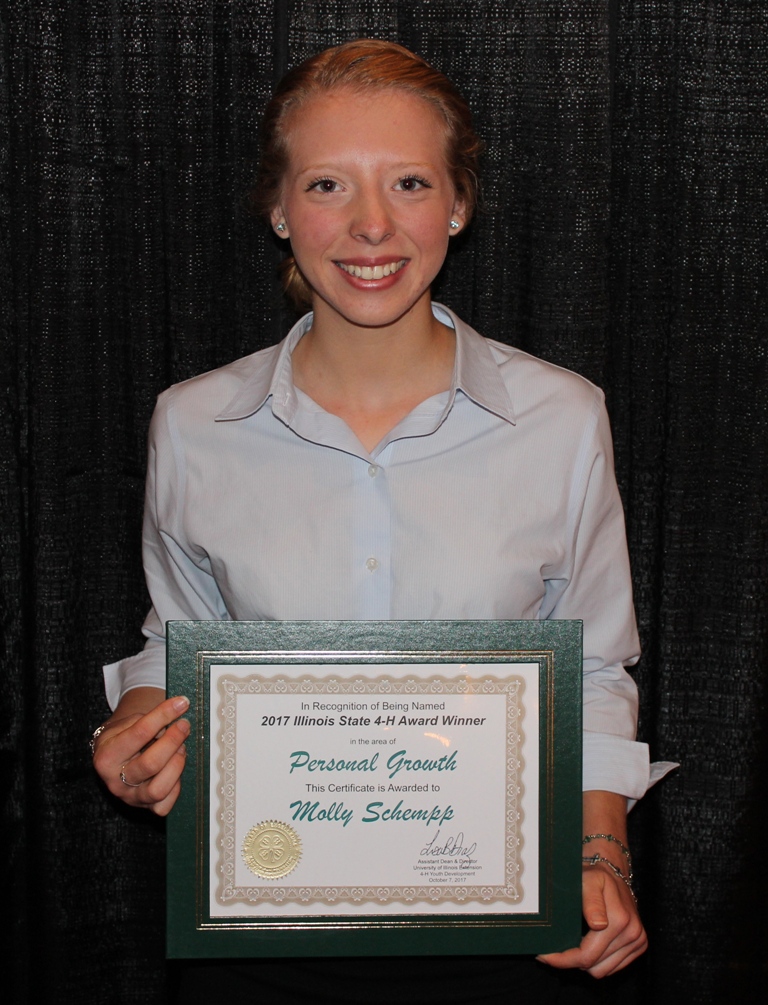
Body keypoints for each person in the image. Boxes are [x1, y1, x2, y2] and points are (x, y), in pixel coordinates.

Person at [93, 38, 655, 1002]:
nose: (370, 225)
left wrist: (601, 853)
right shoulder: (191, 422)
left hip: (505, 933)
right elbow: (182, 642)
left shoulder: (562, 417)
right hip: (260, 930)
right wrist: (139, 722)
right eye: (327, 185)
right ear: (279, 209)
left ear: (458, 204)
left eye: (409, 182)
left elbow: (595, 668)